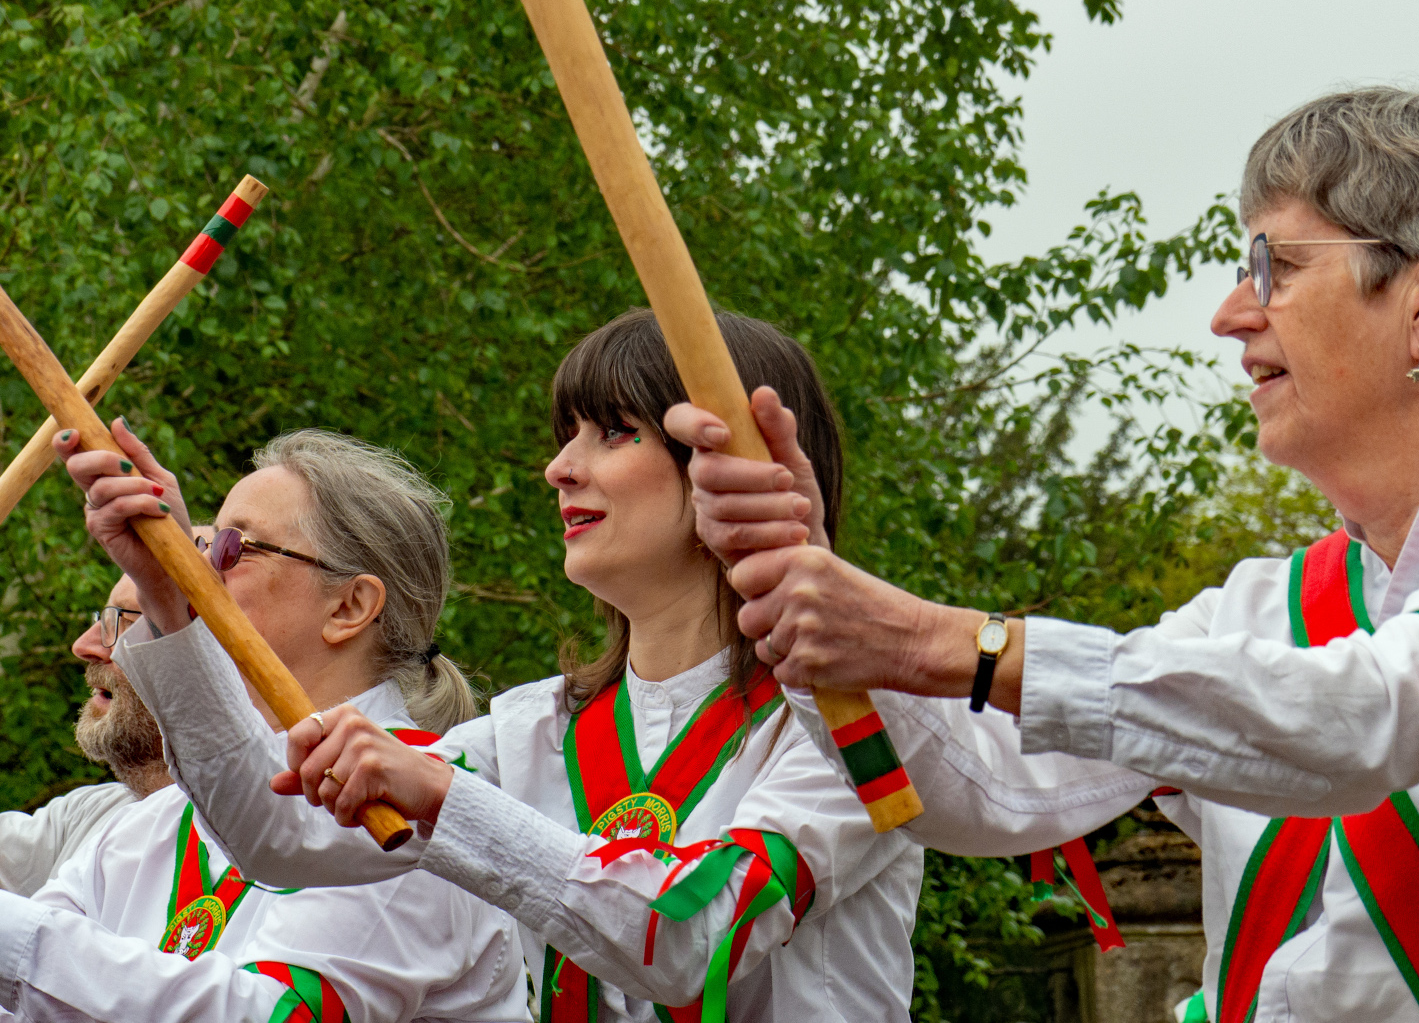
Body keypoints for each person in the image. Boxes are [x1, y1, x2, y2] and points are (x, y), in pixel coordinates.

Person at [664, 87, 1419, 1023]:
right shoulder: (1262, 607)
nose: (1230, 315)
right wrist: (810, 588)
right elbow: (990, 789)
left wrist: (939, 640)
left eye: (1276, 265)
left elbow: (1365, 720)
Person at [93, 310, 936, 1023]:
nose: (559, 467)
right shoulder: (535, 729)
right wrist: (171, 600)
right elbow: (276, 837)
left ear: (740, 466)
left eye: (614, 432)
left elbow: (695, 934)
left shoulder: (850, 714)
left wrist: (449, 805)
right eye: (565, 435)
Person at [0, 427, 531, 1023]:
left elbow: (268, 1014)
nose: (196, 571)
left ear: (349, 607)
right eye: (199, 545)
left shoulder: (417, 812)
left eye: (233, 547)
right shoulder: (151, 823)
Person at [0, 571, 169, 897]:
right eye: (103, 618)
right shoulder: (90, 814)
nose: (83, 645)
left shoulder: (278, 843)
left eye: (127, 623)